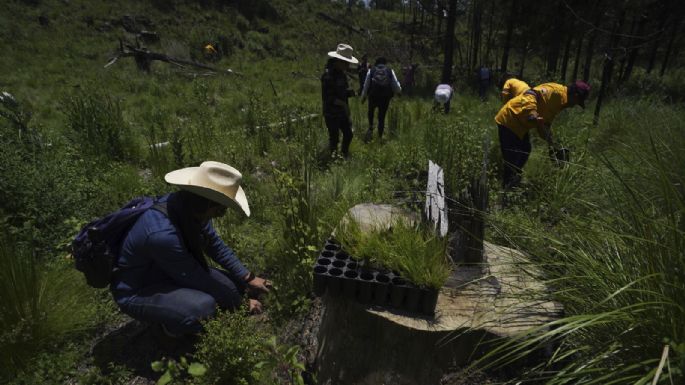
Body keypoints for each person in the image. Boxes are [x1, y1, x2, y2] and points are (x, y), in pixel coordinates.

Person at [110, 161, 271, 337]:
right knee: (203, 307)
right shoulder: (162, 235)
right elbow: (196, 277)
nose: (220, 215)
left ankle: (181, 305)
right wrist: (241, 304)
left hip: (169, 271)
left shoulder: (190, 209)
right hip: (138, 290)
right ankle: (173, 327)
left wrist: (248, 277)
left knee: (235, 287)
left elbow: (215, 245)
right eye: (221, 211)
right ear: (207, 205)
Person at [495, 80, 590, 189]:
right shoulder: (555, 92)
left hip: (521, 126)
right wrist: (531, 112)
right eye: (577, 102)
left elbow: (544, 124)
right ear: (575, 95)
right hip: (510, 119)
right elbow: (531, 94)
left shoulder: (560, 102)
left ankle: (513, 182)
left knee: (525, 150)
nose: (574, 106)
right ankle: (506, 192)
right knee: (512, 159)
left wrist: (552, 144)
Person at [321, 43, 358, 158]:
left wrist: (351, 93)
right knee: (334, 137)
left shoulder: (341, 74)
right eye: (346, 63)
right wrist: (344, 105)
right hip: (331, 112)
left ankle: (344, 155)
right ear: (339, 61)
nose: (348, 65)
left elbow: (342, 92)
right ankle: (333, 158)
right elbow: (329, 98)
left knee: (348, 134)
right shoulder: (328, 76)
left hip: (342, 112)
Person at [360, 57, 402, 142]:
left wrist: (363, 97)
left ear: (376, 63)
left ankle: (371, 128)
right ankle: (379, 136)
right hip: (385, 97)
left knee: (371, 112)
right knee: (381, 117)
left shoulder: (371, 70)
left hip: (373, 96)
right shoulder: (390, 70)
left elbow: (366, 85)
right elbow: (395, 84)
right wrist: (399, 92)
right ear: (385, 63)